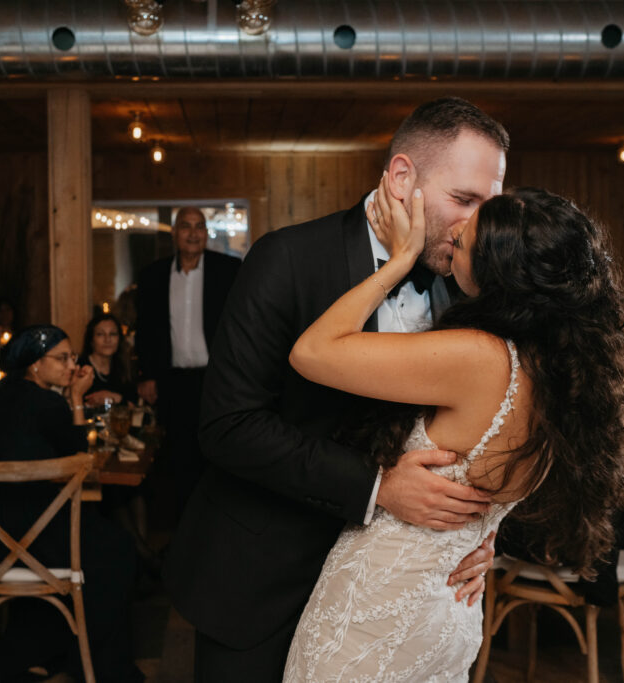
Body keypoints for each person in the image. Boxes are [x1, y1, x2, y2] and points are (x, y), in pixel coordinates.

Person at [165, 97, 509, 681]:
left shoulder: (469, 283)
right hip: (264, 576)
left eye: (489, 206)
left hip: (386, 593)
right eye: (465, 200)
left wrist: (477, 538)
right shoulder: (289, 259)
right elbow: (229, 425)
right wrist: (377, 487)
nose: (476, 225)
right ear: (402, 178)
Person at [282, 181, 624, 679]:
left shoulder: (479, 357)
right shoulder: (566, 380)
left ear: (497, 272)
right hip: (451, 609)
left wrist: (398, 262)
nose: (455, 229)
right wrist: (485, 539)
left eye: (465, 237)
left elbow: (311, 353)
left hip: (376, 612)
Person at [0, 325, 140, 683]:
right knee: (121, 550)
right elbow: (80, 458)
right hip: (33, 532)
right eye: (62, 358)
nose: (72, 365)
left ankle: (32, 655)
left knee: (99, 541)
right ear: (35, 365)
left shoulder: (5, 395)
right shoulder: (46, 402)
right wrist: (77, 398)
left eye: (72, 357)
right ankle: (98, 669)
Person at [135, 207, 241, 518]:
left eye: (199, 227)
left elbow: (242, 326)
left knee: (218, 457)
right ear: (174, 233)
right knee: (177, 460)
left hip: (217, 381)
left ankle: (217, 527)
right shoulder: (153, 275)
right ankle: (180, 528)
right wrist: (146, 375)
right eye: (186, 226)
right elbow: (146, 330)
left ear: (206, 233)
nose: (193, 233)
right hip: (172, 382)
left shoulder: (229, 270)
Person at [79, 313, 134, 407]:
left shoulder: (125, 367)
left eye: (112, 334)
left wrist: (113, 397)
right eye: (100, 334)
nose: (107, 340)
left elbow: (133, 406)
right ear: (91, 340)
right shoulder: (80, 367)